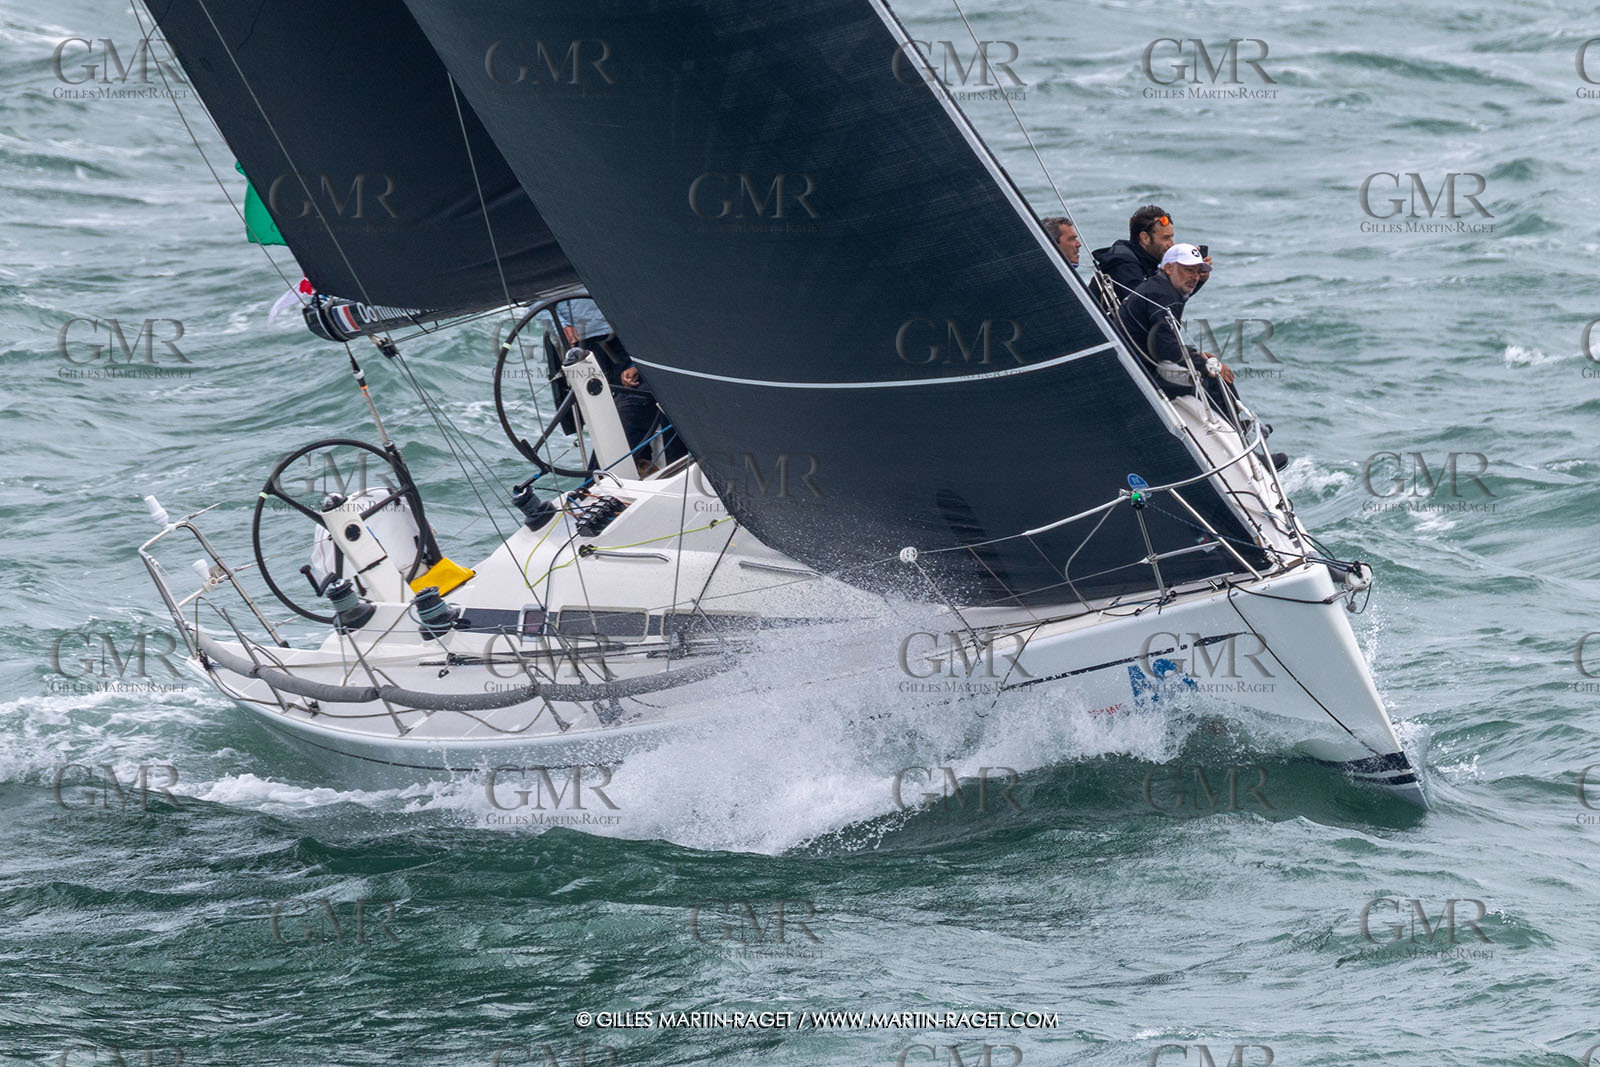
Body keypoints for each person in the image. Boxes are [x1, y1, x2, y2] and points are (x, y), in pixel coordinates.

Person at [1116, 244, 1285, 469]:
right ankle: (1248, 451)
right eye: (1188, 270)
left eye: (1198, 271)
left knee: (1210, 367)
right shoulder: (1165, 296)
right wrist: (1206, 363)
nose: (1194, 277)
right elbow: (1168, 351)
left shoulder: (1159, 288)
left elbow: (1162, 338)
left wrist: (1197, 355)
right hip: (1143, 376)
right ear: (1168, 268)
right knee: (1215, 378)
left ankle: (1236, 424)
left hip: (1135, 364)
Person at [1091, 204, 1210, 303]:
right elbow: (1151, 306)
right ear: (1145, 238)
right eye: (1165, 238)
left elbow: (1169, 300)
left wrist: (1195, 277)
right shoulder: (1124, 265)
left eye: (1171, 237)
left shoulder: (1149, 262)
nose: (1171, 244)